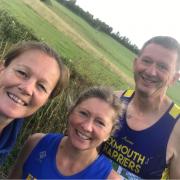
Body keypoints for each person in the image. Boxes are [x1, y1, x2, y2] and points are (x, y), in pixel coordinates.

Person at [102, 36, 180, 179]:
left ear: (174, 78)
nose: (151, 72)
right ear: (135, 63)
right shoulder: (112, 101)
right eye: (146, 61)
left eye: (162, 67)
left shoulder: (177, 126)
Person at [9, 86, 122, 179]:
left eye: (100, 122)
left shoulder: (109, 178)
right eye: (83, 113)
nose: (87, 127)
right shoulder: (36, 143)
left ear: (109, 134)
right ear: (70, 112)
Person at [0, 41, 69, 165]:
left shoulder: (11, 127)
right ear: (2, 69)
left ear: (46, 101)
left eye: (41, 87)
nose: (27, 88)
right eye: (22, 73)